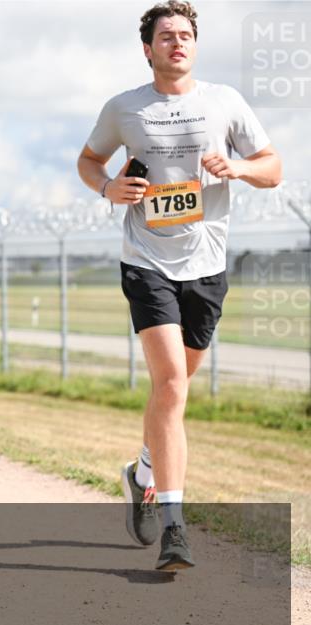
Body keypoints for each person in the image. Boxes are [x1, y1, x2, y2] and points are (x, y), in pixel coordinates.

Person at [77, 1, 281, 572]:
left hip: (207, 265)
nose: (177, 43)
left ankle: (142, 471)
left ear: (196, 44)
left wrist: (239, 169)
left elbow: (273, 166)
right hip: (146, 260)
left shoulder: (225, 102)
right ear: (148, 49)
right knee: (169, 382)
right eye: (166, 36)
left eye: (185, 34)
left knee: (174, 391)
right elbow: (89, 161)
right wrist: (108, 188)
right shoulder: (125, 107)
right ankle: (174, 527)